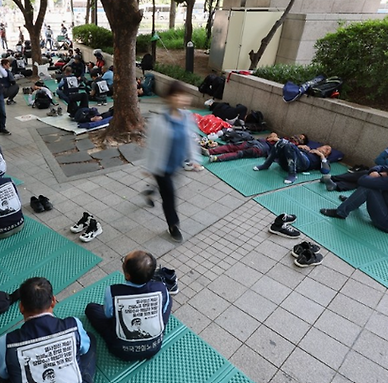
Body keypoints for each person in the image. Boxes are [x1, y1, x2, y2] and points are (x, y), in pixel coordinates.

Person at [0, 277, 96, 383]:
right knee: (89, 338)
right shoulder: (74, 325)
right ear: (53, 301)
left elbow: (2, 374)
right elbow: (84, 349)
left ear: (21, 307)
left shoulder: (5, 341)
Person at [320, 146, 388, 234]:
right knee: (376, 182)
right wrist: (378, 172)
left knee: (368, 188)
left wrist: (377, 175)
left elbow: (363, 181)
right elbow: (387, 169)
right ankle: (353, 201)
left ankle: (340, 212)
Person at [85, 250, 171, 361]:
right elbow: (164, 310)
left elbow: (108, 315)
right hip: (154, 347)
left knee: (91, 308)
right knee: (167, 301)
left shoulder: (112, 291)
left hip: (120, 350)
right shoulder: (161, 288)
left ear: (127, 275)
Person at [145, 81, 203, 242]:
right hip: (161, 167)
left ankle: (149, 191)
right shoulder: (160, 120)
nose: (181, 99)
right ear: (169, 98)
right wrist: (149, 167)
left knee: (166, 189)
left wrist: (194, 159)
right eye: (176, 95)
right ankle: (173, 225)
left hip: (176, 164)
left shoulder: (186, 116)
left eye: (183, 95)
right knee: (169, 196)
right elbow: (152, 146)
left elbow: (190, 140)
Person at [323, 124, 388, 192]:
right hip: (385, 170)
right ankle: (334, 181)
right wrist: (387, 166)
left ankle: (336, 184)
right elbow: (379, 159)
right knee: (367, 173)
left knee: (369, 179)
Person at [253, 138, 332, 184]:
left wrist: (321, 156)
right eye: (325, 147)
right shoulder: (309, 149)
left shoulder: (322, 160)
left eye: (328, 150)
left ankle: (292, 175)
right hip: (287, 162)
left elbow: (325, 171)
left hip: (303, 164)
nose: (326, 149)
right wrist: (299, 147)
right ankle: (266, 164)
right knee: (281, 142)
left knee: (289, 145)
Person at [206, 132, 280, 162]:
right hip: (256, 143)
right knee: (232, 147)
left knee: (238, 152)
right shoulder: (268, 140)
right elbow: (273, 134)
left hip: (260, 148)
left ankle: (215, 157)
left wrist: (275, 139)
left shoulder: (280, 143)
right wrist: (273, 138)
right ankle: (210, 152)